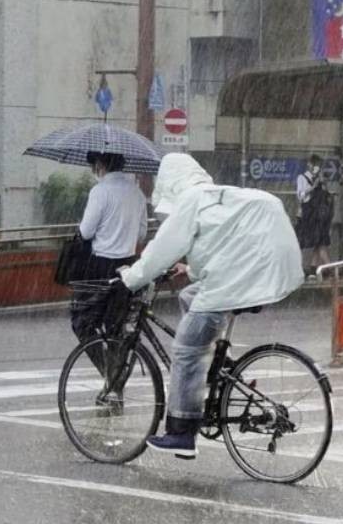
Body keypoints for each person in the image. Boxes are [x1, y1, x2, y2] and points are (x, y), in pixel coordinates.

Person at [119, 153, 303, 457]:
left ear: (170, 181)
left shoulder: (192, 200)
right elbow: (225, 245)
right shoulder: (215, 197)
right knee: (188, 296)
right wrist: (190, 271)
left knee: (187, 348)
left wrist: (131, 279)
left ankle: (181, 433)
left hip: (237, 280)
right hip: (259, 270)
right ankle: (223, 367)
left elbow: (161, 249)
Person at [71, 151, 148, 384]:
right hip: (128, 266)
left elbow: (85, 232)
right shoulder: (138, 193)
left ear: (100, 164)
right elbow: (142, 233)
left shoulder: (100, 192)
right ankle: (115, 381)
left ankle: (109, 373)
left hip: (99, 267)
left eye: (95, 165)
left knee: (82, 322)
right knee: (116, 328)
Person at [295, 155, 333, 278]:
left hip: (321, 217)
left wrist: (323, 183)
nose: (317, 168)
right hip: (310, 215)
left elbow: (326, 195)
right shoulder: (302, 178)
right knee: (318, 242)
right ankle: (328, 269)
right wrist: (313, 186)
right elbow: (301, 196)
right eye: (315, 165)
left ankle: (313, 269)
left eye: (319, 166)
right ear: (310, 165)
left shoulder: (320, 179)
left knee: (319, 243)